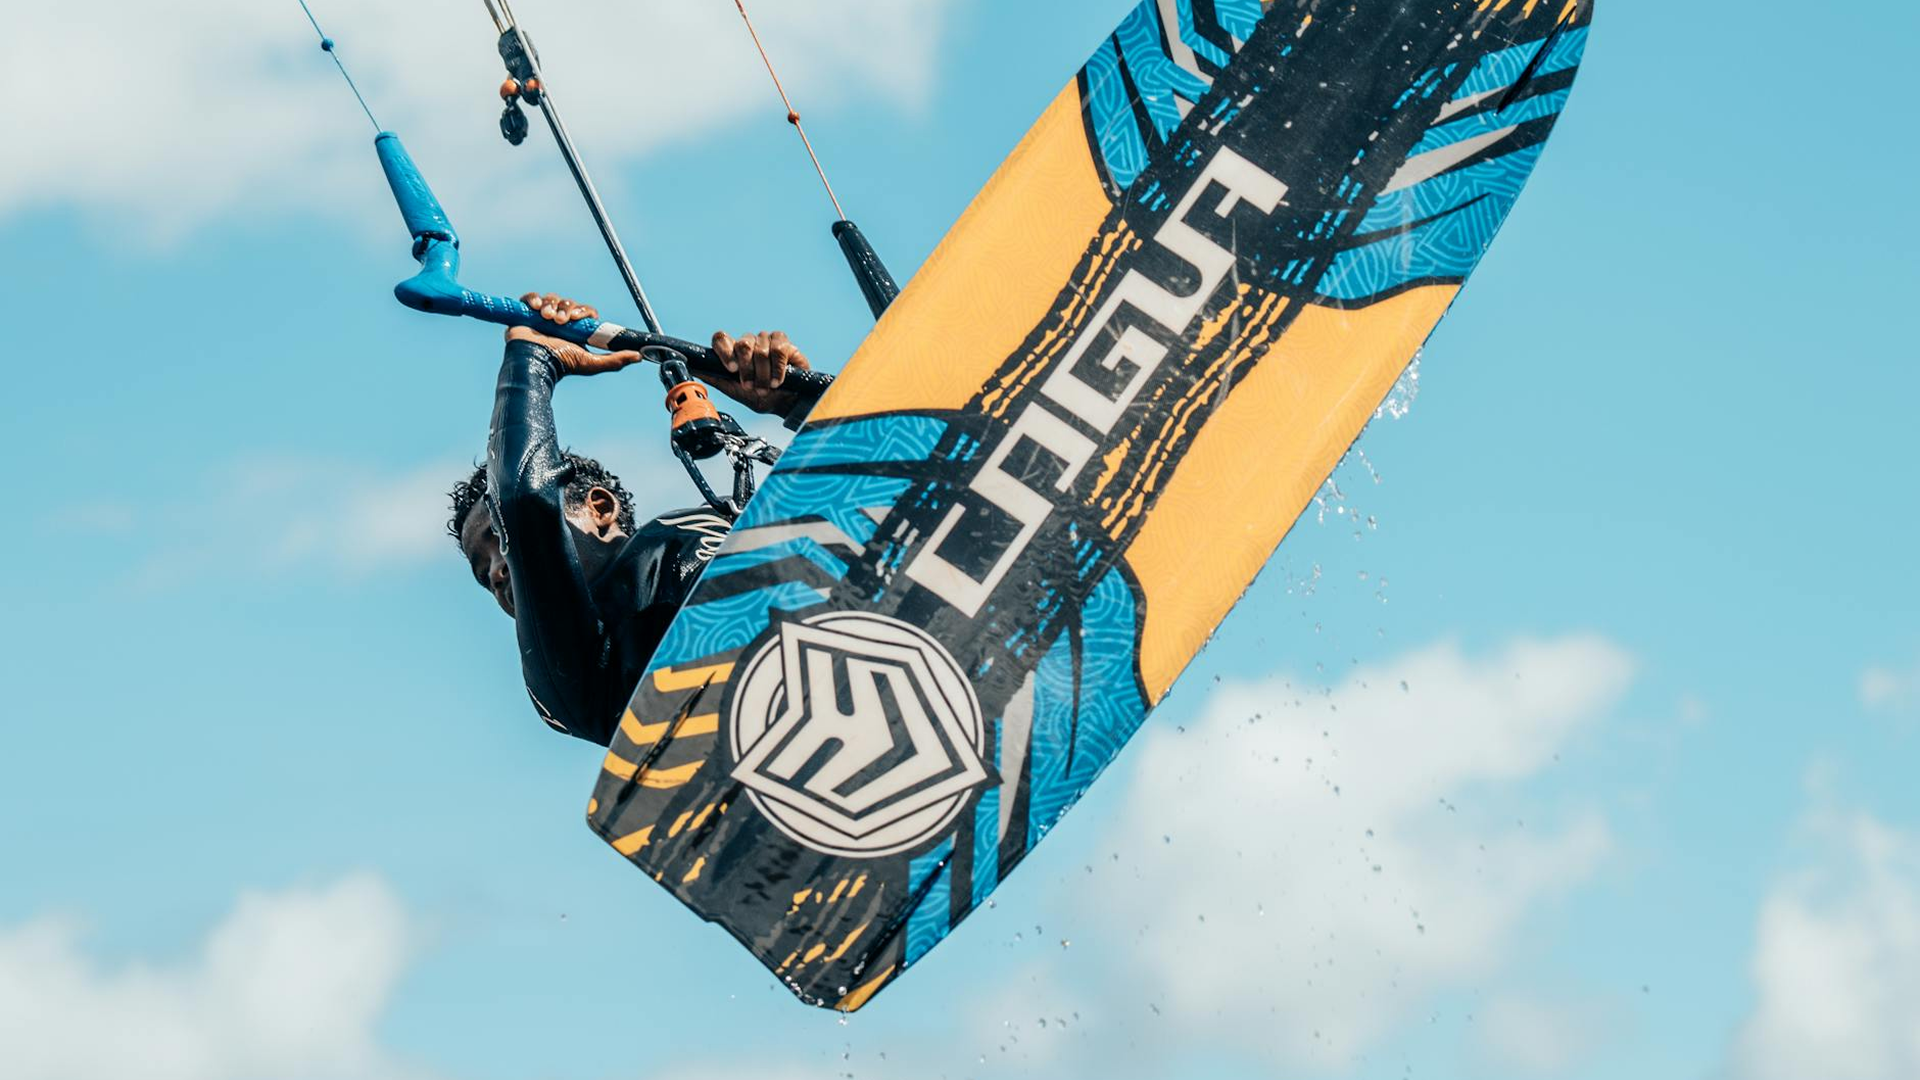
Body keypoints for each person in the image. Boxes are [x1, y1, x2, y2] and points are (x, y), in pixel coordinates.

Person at [450, 292, 812, 746]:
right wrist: (531, 357)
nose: (498, 571)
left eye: (499, 540)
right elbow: (524, 498)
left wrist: (799, 404)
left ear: (600, 509)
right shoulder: (570, 673)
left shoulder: (716, 516)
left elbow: (894, 492)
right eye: (484, 576)